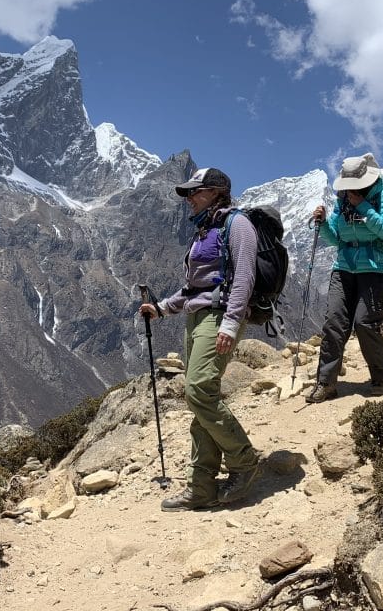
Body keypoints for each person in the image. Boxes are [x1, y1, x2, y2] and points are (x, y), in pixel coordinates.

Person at [139, 167, 261, 512]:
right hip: (197, 318)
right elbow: (195, 287)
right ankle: (201, 487)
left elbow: (244, 278)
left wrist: (231, 323)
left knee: (197, 391)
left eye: (196, 192)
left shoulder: (238, 225)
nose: (189, 199)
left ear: (217, 193)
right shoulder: (206, 229)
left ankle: (245, 461)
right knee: (201, 399)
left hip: (220, 317)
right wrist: (162, 308)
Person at [306, 153, 383, 403]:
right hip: (344, 267)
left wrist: (363, 206)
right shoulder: (342, 199)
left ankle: (379, 378)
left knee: (365, 322)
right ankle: (325, 383)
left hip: (376, 268)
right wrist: (323, 223)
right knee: (334, 322)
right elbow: (335, 238)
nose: (349, 191)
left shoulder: (381, 195)